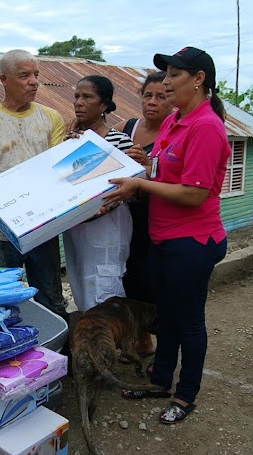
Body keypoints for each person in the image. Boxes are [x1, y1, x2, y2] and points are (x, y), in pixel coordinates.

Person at [104, 46, 230, 424]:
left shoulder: (206, 127)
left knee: (188, 322)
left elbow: (194, 193)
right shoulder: (177, 122)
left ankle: (186, 395)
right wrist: (143, 170)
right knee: (168, 317)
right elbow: (163, 172)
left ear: (198, 79)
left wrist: (139, 185)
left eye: (175, 74)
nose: (167, 81)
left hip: (193, 242)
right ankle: (161, 380)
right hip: (164, 238)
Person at [0, 49, 68, 320]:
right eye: (24, 75)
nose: (34, 81)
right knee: (2, 301)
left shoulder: (51, 118)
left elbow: (60, 169)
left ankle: (57, 357)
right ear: (4, 79)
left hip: (42, 225)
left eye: (36, 75)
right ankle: (11, 355)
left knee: (51, 299)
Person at [62, 75, 136, 312]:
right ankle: (95, 344)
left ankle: (111, 346)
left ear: (103, 105)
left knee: (105, 289)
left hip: (107, 228)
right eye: (76, 96)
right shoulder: (70, 142)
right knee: (82, 288)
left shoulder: (119, 142)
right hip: (77, 228)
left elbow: (130, 189)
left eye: (87, 97)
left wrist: (99, 208)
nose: (78, 103)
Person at [113, 70, 172, 358]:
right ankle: (141, 340)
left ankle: (161, 344)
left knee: (153, 279)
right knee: (130, 276)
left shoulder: (174, 133)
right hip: (126, 214)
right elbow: (100, 144)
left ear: (171, 101)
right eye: (147, 95)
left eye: (161, 96)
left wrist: (148, 165)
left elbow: (175, 178)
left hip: (156, 215)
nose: (153, 102)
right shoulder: (128, 126)